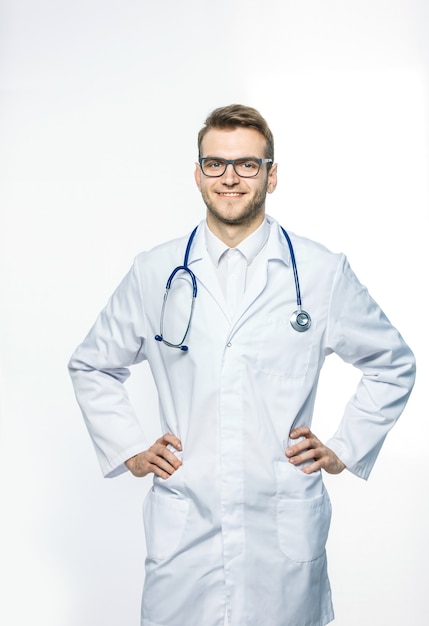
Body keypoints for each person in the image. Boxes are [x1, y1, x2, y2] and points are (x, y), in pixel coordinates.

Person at [68, 104, 416, 626]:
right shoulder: (154, 271)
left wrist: (345, 447)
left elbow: (393, 362)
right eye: (216, 164)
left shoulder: (321, 273)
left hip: (279, 525)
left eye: (248, 165)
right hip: (186, 523)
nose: (230, 177)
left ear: (271, 176)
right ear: (197, 174)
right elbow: (92, 364)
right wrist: (130, 452)